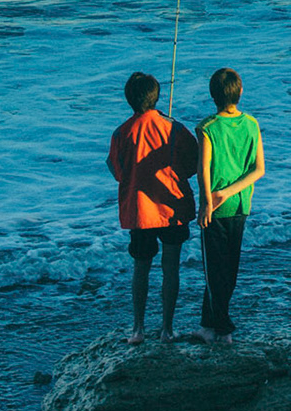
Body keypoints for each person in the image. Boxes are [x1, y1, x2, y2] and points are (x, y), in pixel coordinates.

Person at [107, 71, 199, 344]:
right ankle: (167, 329)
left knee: (141, 267)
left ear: (129, 100)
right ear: (156, 97)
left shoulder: (122, 132)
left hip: (140, 211)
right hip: (172, 208)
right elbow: (192, 165)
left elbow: (116, 170)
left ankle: (137, 330)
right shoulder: (175, 128)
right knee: (171, 267)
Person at [196, 67, 265, 343]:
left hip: (216, 207)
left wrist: (208, 201)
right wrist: (232, 192)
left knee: (214, 270)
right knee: (228, 267)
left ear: (212, 95)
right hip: (241, 205)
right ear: (241, 91)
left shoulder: (207, 127)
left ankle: (223, 329)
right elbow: (258, 169)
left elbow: (203, 171)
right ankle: (207, 325)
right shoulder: (252, 123)